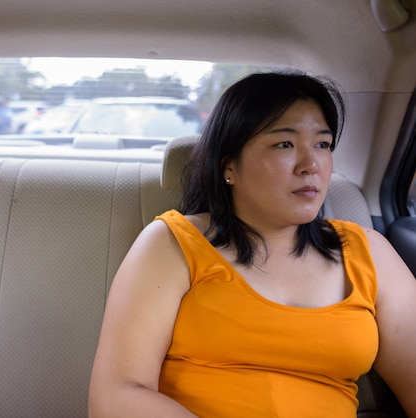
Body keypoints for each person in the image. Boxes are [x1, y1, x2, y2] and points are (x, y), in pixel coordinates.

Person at [88, 72, 416, 417]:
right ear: (229, 165)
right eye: (284, 145)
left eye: (323, 144)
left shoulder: (369, 252)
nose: (311, 166)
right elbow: (117, 395)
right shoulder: (173, 243)